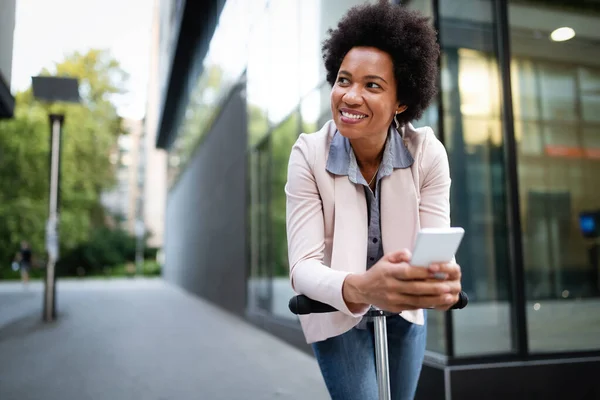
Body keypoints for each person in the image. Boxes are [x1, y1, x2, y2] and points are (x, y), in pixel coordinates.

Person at [284, 2, 462, 399]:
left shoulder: (427, 153)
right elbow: (303, 267)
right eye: (344, 80)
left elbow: (435, 251)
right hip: (334, 308)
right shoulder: (309, 154)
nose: (350, 96)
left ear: (401, 102)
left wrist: (443, 280)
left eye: (372, 85)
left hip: (402, 308)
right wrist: (362, 287)